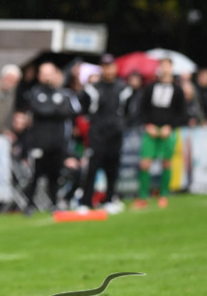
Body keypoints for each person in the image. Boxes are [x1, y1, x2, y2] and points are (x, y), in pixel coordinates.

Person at [21, 62, 80, 214]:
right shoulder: (35, 92)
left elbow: (67, 111)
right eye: (43, 73)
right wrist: (54, 109)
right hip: (39, 142)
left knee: (54, 175)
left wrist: (51, 109)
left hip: (57, 142)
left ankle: (54, 203)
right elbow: (39, 109)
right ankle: (29, 205)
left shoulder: (63, 93)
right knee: (35, 176)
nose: (46, 77)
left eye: (49, 73)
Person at [78, 54, 132, 209]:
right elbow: (85, 110)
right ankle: (86, 202)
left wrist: (120, 125)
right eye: (105, 66)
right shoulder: (92, 89)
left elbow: (127, 112)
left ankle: (109, 199)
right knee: (92, 168)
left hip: (115, 134)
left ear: (115, 68)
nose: (108, 69)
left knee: (112, 168)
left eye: (110, 66)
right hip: (97, 134)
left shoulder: (123, 88)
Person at [133, 57, 185, 208]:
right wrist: (148, 125)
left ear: (172, 68)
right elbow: (142, 108)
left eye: (167, 65)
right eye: (162, 65)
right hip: (151, 130)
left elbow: (181, 112)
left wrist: (170, 126)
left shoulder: (177, 90)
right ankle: (143, 196)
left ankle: (163, 195)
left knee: (166, 163)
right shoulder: (150, 87)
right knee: (145, 163)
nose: (165, 68)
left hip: (168, 131)